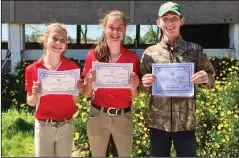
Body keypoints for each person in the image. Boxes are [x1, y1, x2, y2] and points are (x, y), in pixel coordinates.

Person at [140, 2, 215, 157]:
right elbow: (141, 87)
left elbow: (211, 80)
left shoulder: (194, 50)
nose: (170, 22)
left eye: (174, 18)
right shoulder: (150, 53)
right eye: (165, 18)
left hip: (186, 124)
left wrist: (206, 78)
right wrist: (144, 83)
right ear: (158, 22)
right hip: (158, 124)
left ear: (182, 21)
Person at [81, 10, 139, 157]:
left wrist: (134, 85)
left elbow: (135, 95)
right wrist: (89, 82)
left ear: (124, 30)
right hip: (98, 115)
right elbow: (86, 94)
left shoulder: (131, 57)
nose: (115, 31)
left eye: (120, 28)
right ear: (105, 29)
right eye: (111, 27)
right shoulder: (92, 56)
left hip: (123, 116)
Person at [24, 23, 84, 157]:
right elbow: (31, 102)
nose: (58, 43)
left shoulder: (71, 67)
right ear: (45, 41)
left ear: (66, 45)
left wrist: (78, 90)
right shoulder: (32, 69)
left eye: (63, 40)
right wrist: (35, 94)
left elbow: (75, 99)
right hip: (44, 126)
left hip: (66, 125)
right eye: (54, 38)